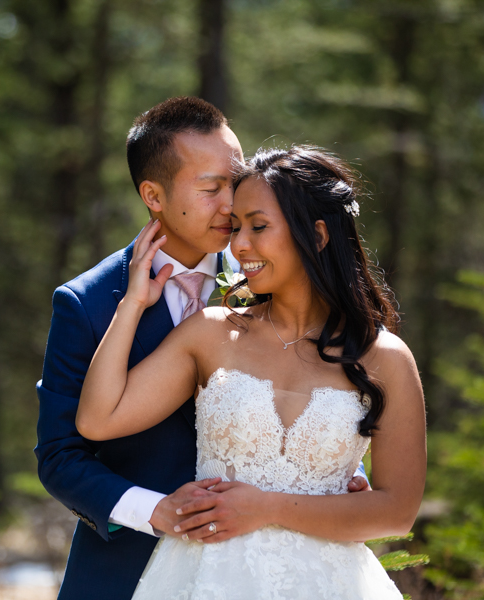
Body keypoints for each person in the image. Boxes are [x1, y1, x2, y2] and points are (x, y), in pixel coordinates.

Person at [35, 98, 368, 600]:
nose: (231, 205)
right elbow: (60, 456)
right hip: (126, 571)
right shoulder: (86, 303)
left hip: (263, 571)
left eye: (234, 183)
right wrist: (155, 509)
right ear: (154, 194)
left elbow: (309, 391)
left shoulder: (270, 276)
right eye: (211, 189)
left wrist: (339, 468)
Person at [76, 145, 426, 599]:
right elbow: (98, 420)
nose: (239, 245)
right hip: (204, 580)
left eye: (258, 227)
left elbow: (397, 511)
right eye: (236, 227)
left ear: (318, 235)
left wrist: (268, 508)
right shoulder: (211, 333)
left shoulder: (385, 358)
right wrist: (132, 304)